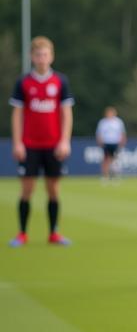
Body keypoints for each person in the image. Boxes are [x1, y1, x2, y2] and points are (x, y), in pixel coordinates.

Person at [9, 36, 74, 247]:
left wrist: (64, 140)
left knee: (53, 190)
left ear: (51, 56)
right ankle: (22, 233)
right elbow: (17, 114)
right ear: (31, 57)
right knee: (27, 189)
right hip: (29, 145)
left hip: (53, 145)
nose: (42, 58)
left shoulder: (60, 81)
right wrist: (18, 142)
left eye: (45, 54)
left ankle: (54, 233)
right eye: (38, 55)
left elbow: (66, 113)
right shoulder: (24, 82)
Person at [96, 106, 127, 181]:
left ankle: (115, 175)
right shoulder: (103, 122)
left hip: (115, 142)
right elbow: (99, 133)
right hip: (106, 142)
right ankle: (105, 176)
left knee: (115, 160)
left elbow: (122, 133)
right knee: (106, 159)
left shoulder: (118, 122)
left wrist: (123, 141)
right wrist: (100, 141)